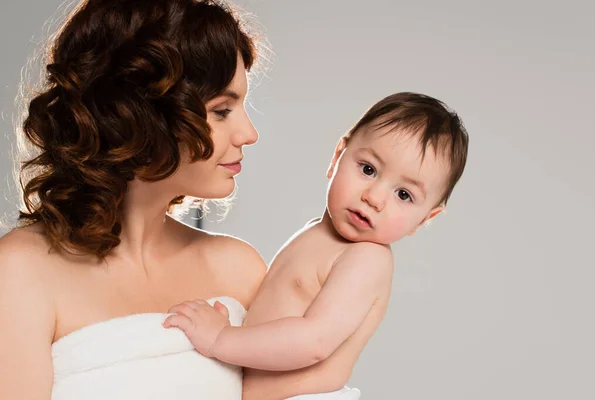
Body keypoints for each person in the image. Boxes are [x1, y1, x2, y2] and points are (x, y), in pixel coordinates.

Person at [0, 1, 268, 399]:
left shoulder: (240, 270)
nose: (249, 133)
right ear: (139, 114)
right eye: (222, 110)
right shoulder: (22, 271)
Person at [164, 92, 470, 400]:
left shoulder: (367, 259)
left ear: (424, 219)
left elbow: (314, 341)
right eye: (368, 169)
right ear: (338, 156)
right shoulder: (315, 233)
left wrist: (221, 339)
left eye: (403, 195)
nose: (374, 198)